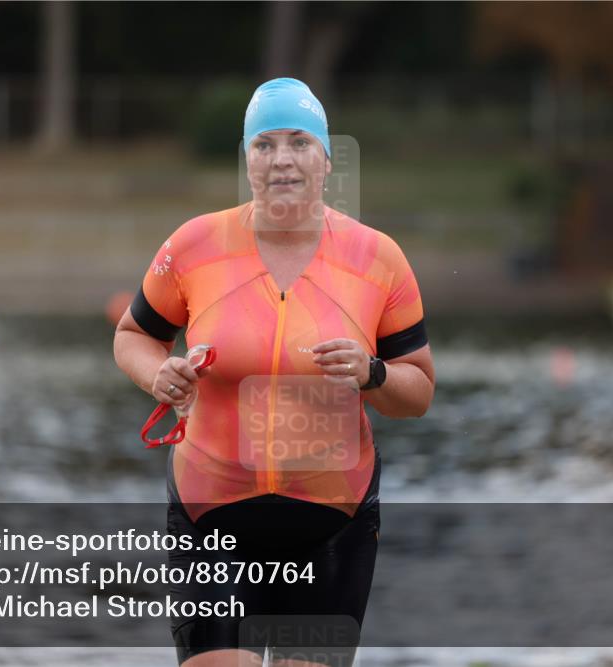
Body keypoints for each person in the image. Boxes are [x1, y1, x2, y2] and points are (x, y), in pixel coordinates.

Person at [114, 77, 434, 667]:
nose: (282, 158)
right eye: (264, 144)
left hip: (330, 524)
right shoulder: (194, 245)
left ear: (326, 159)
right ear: (247, 158)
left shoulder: (377, 258)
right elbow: (135, 335)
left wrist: (373, 374)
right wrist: (158, 375)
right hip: (210, 517)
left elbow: (418, 391)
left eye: (298, 142)